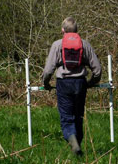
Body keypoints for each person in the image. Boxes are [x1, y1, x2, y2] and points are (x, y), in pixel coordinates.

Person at [42, 17, 101, 156]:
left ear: (62, 30)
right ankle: (78, 145)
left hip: (63, 83)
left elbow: (48, 70)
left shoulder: (57, 45)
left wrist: (46, 84)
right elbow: (97, 69)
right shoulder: (84, 44)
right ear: (77, 30)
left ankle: (73, 142)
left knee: (67, 117)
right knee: (78, 116)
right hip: (80, 83)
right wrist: (90, 83)